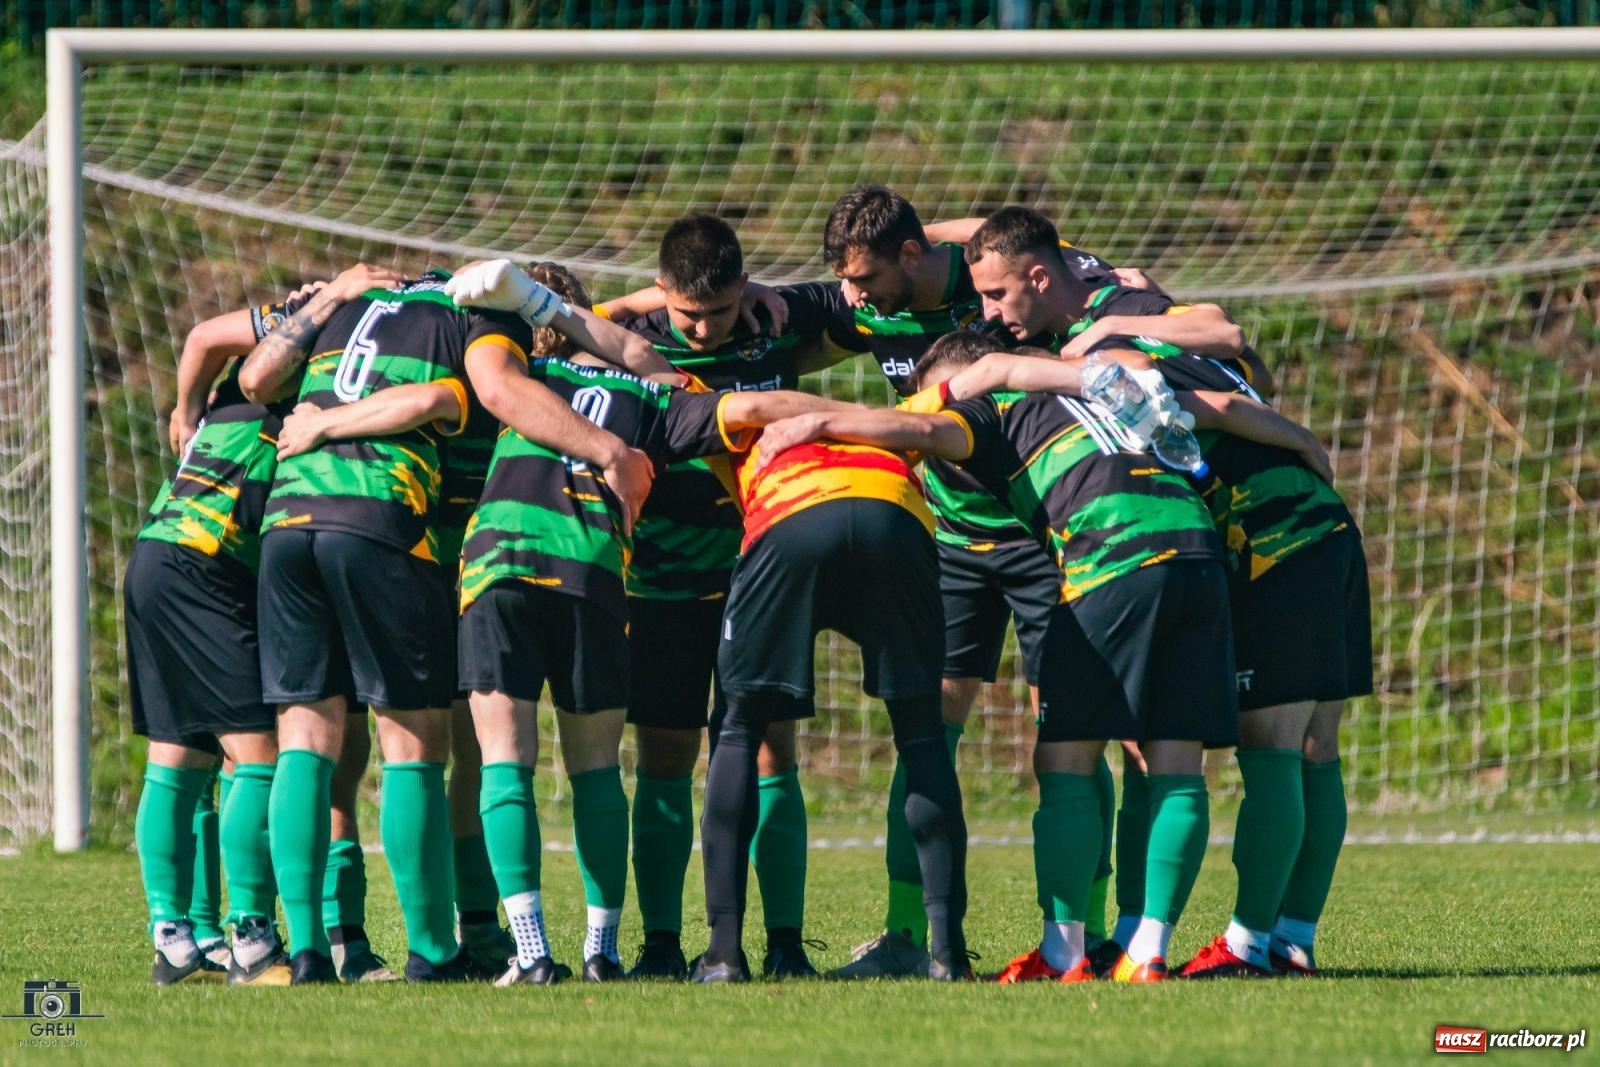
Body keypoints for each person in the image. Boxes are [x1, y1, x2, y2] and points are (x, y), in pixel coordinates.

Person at [751, 328, 1324, 984]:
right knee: (1175, 759)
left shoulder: (988, 404)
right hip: (1197, 554)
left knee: (1064, 757)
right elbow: (1216, 404)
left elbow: (932, 434)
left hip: (1112, 558)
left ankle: (1063, 954)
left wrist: (819, 420)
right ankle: (1147, 950)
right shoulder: (1101, 394)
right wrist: (1302, 437)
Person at [236, 260, 659, 984]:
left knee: (305, 736)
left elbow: (253, 377)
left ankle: (305, 950)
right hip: (378, 513)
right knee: (415, 741)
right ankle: (435, 948)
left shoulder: (353, 302)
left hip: (286, 518)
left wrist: (332, 296)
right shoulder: (482, 317)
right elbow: (463, 390)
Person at [128, 272, 464, 986]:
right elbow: (212, 339)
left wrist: (186, 413)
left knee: (182, 751)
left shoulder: (272, 379)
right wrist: (329, 294)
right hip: (219, 562)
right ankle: (258, 937)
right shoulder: (312, 362)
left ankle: (183, 933)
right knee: (266, 753)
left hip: (161, 552)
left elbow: (204, 339)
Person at [598, 214, 847, 978]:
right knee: (666, 753)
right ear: (662, 292)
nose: (702, 329)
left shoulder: (776, 326)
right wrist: (646, 302)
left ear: (746, 286)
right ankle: (663, 944)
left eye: (717, 310)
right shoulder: (626, 337)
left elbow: (866, 306)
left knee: (772, 752)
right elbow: (557, 315)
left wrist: (773, 296)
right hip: (662, 580)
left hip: (762, 575)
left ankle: (785, 944)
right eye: (686, 312)